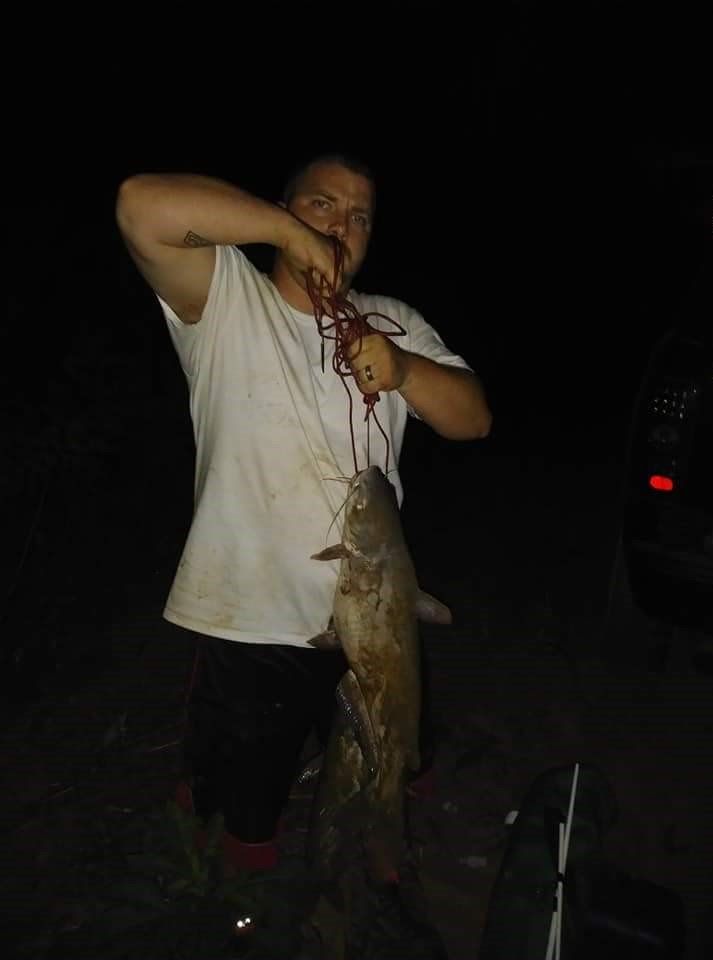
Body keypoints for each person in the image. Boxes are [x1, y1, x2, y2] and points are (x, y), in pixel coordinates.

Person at [115, 152, 492, 876]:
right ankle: (239, 896)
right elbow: (140, 204)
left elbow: (473, 419)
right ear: (287, 208)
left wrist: (406, 369)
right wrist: (285, 236)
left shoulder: (396, 321)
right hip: (251, 617)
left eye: (359, 217)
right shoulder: (225, 297)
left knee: (395, 747)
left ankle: (382, 862)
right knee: (246, 792)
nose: (341, 226)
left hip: (378, 614)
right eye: (322, 205)